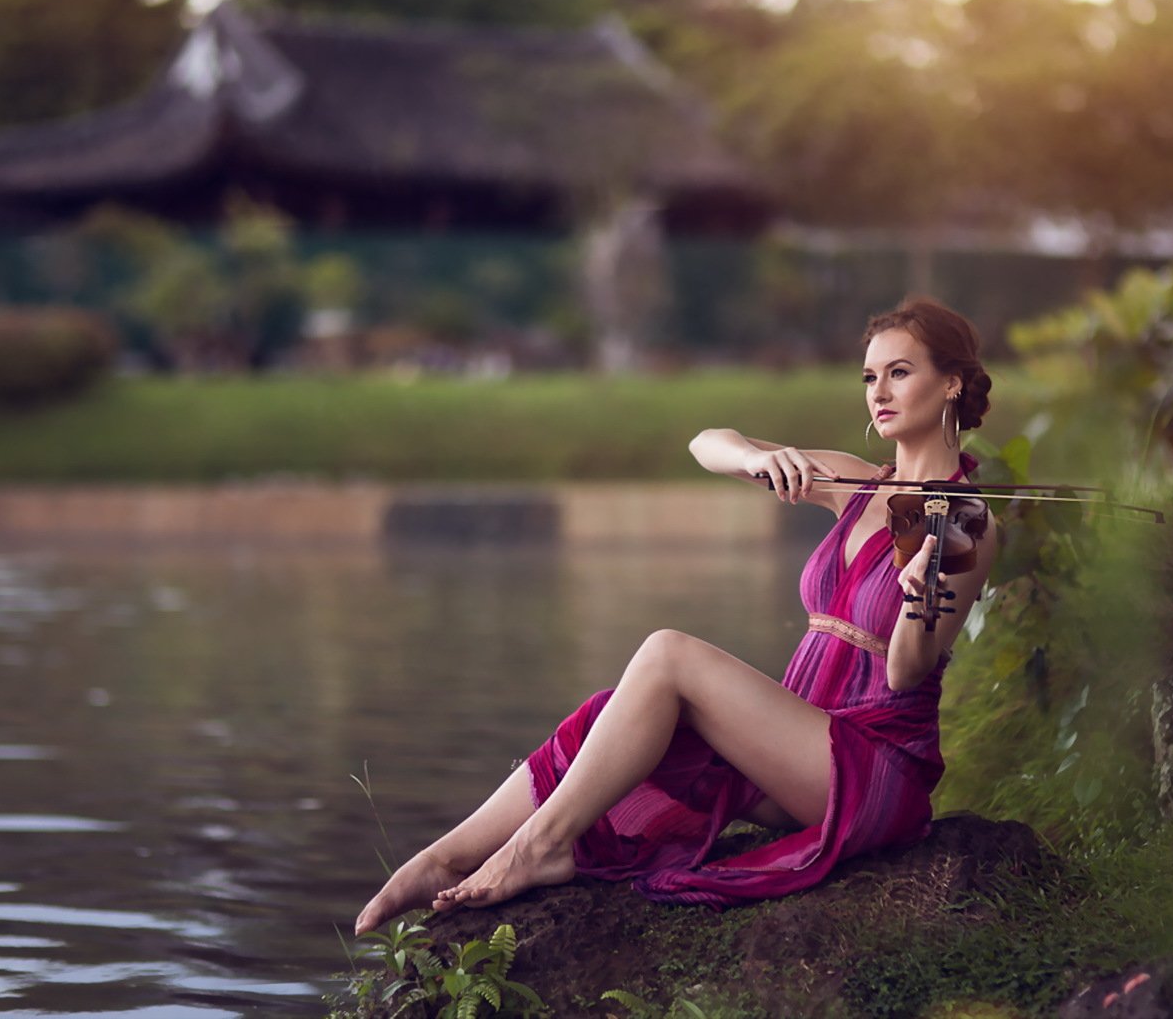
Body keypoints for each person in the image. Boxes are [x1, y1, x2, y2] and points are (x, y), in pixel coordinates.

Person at [353, 297, 997, 934]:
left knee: (668, 655)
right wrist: (755, 459)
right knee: (613, 713)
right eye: (869, 376)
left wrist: (919, 596)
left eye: (899, 372)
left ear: (951, 383)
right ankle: (444, 858)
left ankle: (539, 847)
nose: (878, 392)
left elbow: (906, 673)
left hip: (870, 771)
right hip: (796, 747)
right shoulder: (855, 481)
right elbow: (706, 442)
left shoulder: (964, 521)